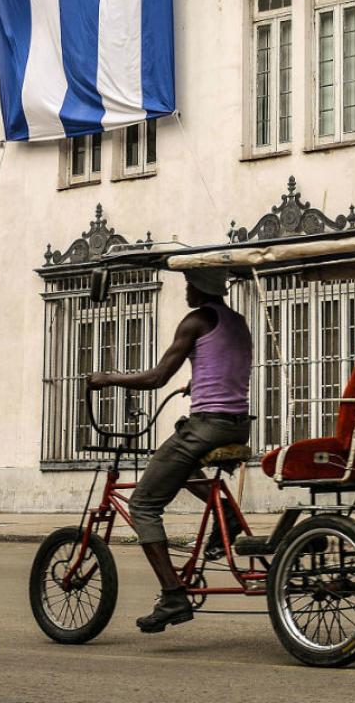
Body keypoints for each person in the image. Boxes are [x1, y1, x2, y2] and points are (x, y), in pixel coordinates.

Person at [87, 268, 252, 634]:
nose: (186, 292)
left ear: (201, 288)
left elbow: (156, 378)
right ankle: (224, 509)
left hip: (208, 426)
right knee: (175, 462)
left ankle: (173, 594)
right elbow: (227, 362)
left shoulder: (195, 320)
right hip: (237, 422)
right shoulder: (236, 321)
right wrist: (198, 381)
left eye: (189, 285)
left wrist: (108, 378)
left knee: (143, 503)